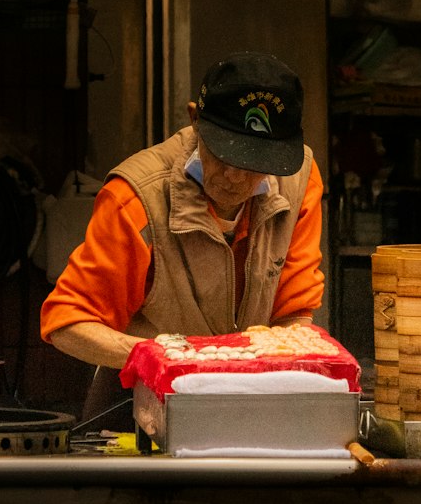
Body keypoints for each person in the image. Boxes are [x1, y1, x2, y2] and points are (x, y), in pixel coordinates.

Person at [40, 50, 324, 421]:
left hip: (252, 401)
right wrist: (167, 357)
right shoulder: (136, 198)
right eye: (224, 155)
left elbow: (294, 313)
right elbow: (66, 322)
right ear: (195, 119)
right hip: (140, 405)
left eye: (256, 161)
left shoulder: (299, 181)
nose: (236, 178)